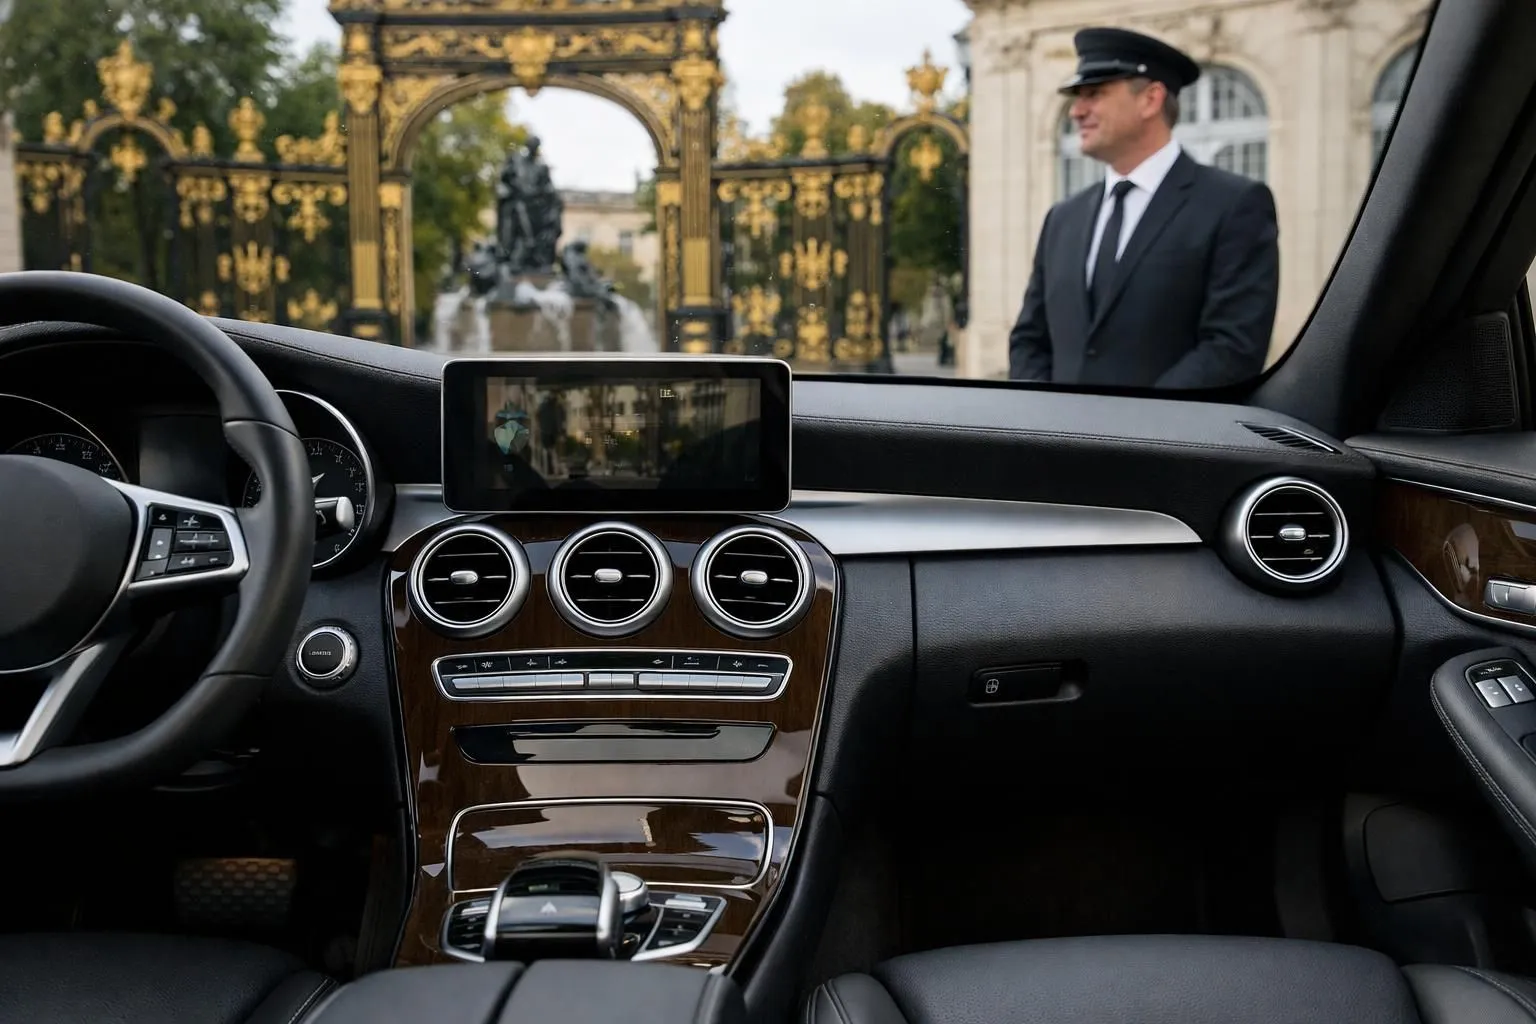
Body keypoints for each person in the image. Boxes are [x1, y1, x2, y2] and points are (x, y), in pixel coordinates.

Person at [1008, 28, 1280, 389]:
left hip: (1164, 442)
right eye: (1077, 97)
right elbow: (1029, 339)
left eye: (1095, 94)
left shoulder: (1233, 205)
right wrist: (1046, 421)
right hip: (1061, 441)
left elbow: (1233, 348)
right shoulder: (1063, 218)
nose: (1076, 111)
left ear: (1151, 100)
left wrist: (1133, 426)